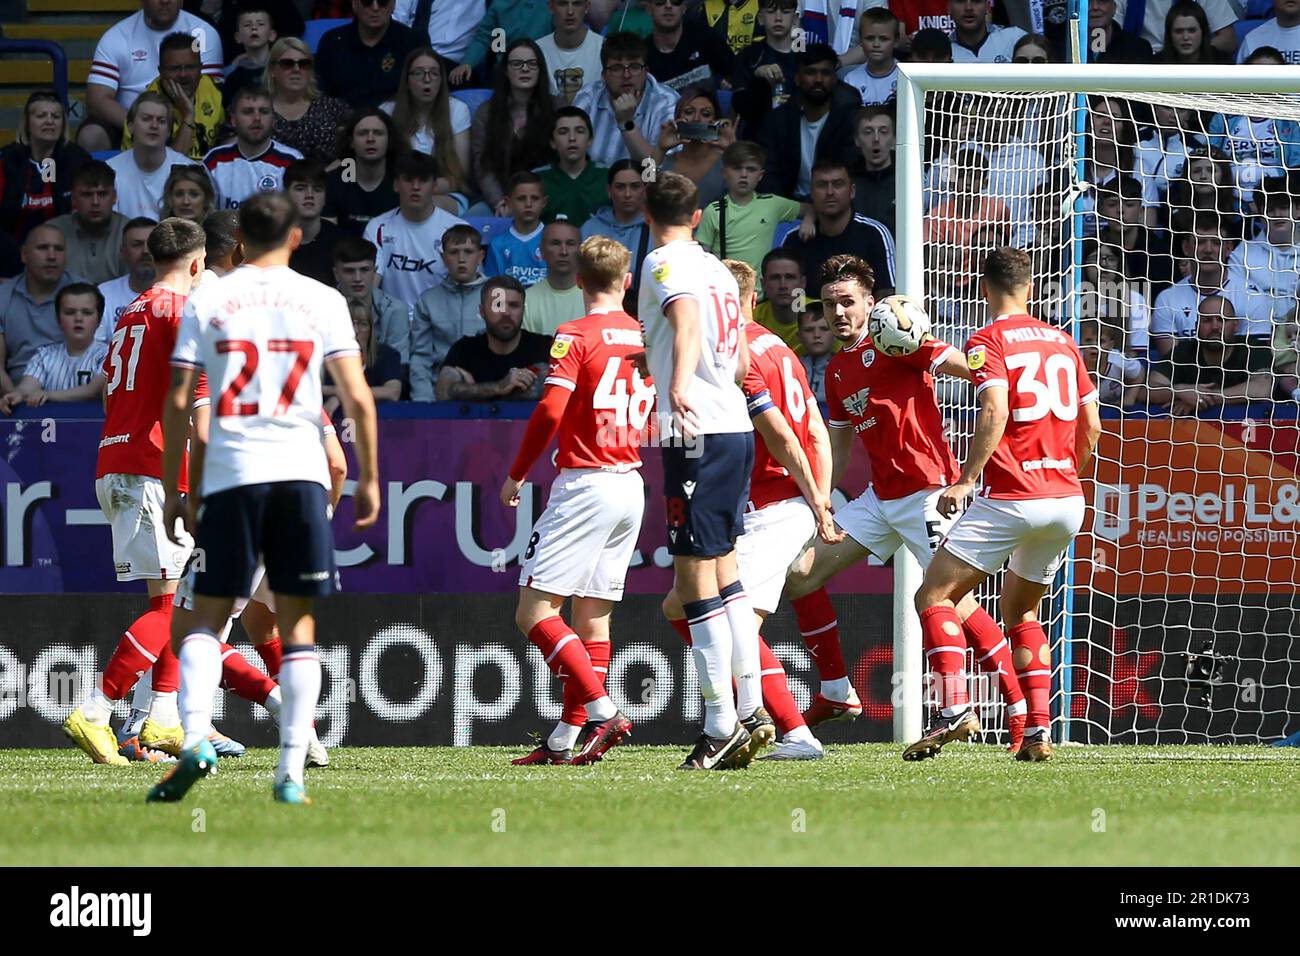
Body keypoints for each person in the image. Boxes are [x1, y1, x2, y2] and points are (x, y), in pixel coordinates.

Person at [146, 193, 378, 803]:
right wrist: (371, 477)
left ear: (239, 241)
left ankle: (194, 739)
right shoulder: (323, 299)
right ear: (297, 238)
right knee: (297, 625)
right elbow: (356, 395)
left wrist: (176, 487)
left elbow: (176, 404)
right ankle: (292, 772)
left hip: (231, 475)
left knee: (200, 623)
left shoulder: (209, 297)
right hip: (298, 474)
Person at [778, 254, 1025, 740]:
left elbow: (966, 368)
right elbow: (841, 443)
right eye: (829, 304)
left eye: (848, 301)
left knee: (955, 603)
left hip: (929, 493)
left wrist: (991, 374)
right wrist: (824, 499)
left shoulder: (897, 337)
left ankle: (1015, 711)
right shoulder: (835, 371)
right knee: (802, 575)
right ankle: (834, 689)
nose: (838, 312)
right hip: (879, 500)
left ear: (871, 303)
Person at [911, 246, 1100, 763]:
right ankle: (1038, 732)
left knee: (933, 597)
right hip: (1066, 499)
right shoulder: (1064, 342)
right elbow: (1093, 427)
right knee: (1023, 611)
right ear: (1032, 288)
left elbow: (994, 406)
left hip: (1013, 497)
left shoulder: (986, 340)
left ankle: (953, 710)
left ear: (984, 288)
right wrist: (1066, 474)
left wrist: (967, 478)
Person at [661, 256, 834, 761]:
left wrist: (815, 506)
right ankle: (759, 718)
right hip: (787, 500)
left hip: (774, 504)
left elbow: (780, 434)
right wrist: (819, 497)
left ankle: (786, 731)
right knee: (688, 607)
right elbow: (818, 431)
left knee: (726, 617)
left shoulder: (737, 357)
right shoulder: (783, 348)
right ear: (753, 299)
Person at [60, 217, 209, 766]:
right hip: (152, 469)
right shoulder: (182, 311)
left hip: (119, 459)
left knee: (181, 598)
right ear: (197, 263)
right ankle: (97, 711)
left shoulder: (130, 312)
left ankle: (164, 717)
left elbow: (110, 395)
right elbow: (196, 404)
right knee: (173, 606)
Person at [500, 236, 648, 765]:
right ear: (627, 282)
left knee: (534, 610)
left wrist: (518, 472)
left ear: (579, 281)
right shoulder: (644, 335)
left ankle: (604, 712)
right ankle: (567, 735)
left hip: (586, 481)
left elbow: (549, 411)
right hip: (631, 480)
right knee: (593, 618)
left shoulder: (575, 334)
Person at [637, 170, 765, 770]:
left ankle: (720, 724)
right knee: (724, 572)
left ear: (645, 211)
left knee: (692, 580)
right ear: (697, 216)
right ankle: (754, 708)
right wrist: (661, 358)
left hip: (697, 431)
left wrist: (679, 380)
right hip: (734, 425)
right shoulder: (719, 267)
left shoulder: (664, 264)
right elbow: (737, 360)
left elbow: (686, 321)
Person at [82, 0, 223, 151]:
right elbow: (96, 100)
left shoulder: (204, 33)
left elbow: (209, 94)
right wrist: (144, 124)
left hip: (194, 120)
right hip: (129, 122)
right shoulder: (117, 36)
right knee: (91, 135)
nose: (164, 1)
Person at [364, 151, 469, 310]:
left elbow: (468, 289)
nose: (415, 187)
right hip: (392, 324)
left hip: (441, 324)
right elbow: (370, 286)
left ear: (435, 186)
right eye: (408, 179)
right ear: (396, 184)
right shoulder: (377, 227)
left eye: (423, 180)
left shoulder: (458, 230)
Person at [755, 44, 861, 201]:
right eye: (811, 72)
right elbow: (768, 175)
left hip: (834, 206)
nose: (818, 79)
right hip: (786, 208)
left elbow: (849, 173)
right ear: (797, 78)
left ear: (834, 79)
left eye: (825, 73)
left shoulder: (848, 121)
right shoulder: (777, 120)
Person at [782, 159, 896, 298]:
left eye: (838, 184)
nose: (830, 192)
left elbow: (887, 293)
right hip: (807, 317)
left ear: (852, 191)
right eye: (822, 185)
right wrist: (803, 317)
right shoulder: (794, 239)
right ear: (811, 192)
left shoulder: (875, 234)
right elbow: (791, 294)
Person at [1143, 294, 1275, 415]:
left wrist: (1203, 398)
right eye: (1207, 320)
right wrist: (1179, 391)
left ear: (1235, 326)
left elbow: (1262, 389)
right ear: (1197, 326)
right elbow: (1147, 391)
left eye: (1222, 320)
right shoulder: (1183, 352)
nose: (1215, 327)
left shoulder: (1252, 347)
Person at [471, 39, 557, 215]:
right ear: (505, 70)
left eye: (532, 64)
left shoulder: (556, 108)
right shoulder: (487, 112)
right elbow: (482, 164)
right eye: (517, 64)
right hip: (500, 196)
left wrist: (533, 201)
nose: (525, 69)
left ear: (540, 70)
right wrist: (499, 201)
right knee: (474, 216)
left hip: (544, 197)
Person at [696, 140, 810, 272]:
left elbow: (810, 209)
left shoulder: (772, 204)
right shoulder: (714, 211)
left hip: (762, 291)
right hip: (727, 290)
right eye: (737, 168)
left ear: (760, 175)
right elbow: (701, 258)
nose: (744, 174)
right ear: (724, 173)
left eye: (751, 169)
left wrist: (808, 220)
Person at [572, 32, 681, 166]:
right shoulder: (588, 96)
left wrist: (627, 124)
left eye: (634, 67)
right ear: (604, 75)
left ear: (646, 71)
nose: (626, 75)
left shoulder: (667, 103)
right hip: (593, 184)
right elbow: (569, 156)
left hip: (645, 185)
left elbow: (657, 172)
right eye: (617, 68)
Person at [436, 275, 551, 400]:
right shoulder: (464, 350)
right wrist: (499, 387)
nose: (506, 312)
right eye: (497, 305)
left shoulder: (543, 347)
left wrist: (475, 392)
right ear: (482, 311)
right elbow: (444, 392)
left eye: (513, 305)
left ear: (523, 310)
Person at [0, 284, 109, 415]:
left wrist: (48, 395)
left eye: (87, 312)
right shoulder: (44, 355)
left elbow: (93, 391)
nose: (78, 319)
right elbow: (27, 387)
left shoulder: (109, 354)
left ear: (98, 320)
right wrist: (17, 394)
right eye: (70, 312)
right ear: (58, 319)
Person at [410, 223, 490, 399]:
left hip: (487, 391)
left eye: (468, 252)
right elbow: (420, 357)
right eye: (454, 252)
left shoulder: (497, 295)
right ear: (444, 258)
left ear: (480, 256)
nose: (461, 259)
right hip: (440, 394)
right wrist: (423, 402)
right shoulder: (428, 300)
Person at [0, 92, 90, 242]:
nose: (49, 121)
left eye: (56, 117)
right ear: (27, 124)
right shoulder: (8, 160)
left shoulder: (77, 159)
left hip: (64, 249)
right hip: (12, 251)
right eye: (41, 116)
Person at [119, 32, 225, 160]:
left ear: (201, 68)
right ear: (161, 72)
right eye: (175, 68)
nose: (183, 74)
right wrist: (188, 115)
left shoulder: (217, 91)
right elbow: (166, 168)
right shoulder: (145, 109)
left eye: (190, 67)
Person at [0, 225, 79, 394]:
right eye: (42, 248)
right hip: (15, 395)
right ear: (24, 255)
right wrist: (16, 398)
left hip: (73, 395)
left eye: (58, 249)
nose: (52, 256)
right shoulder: (3, 297)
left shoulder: (85, 294)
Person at [203, 87, 305, 210]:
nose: (257, 118)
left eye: (264, 111)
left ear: (273, 119)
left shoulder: (292, 161)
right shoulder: (214, 160)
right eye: (248, 111)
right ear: (233, 120)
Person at [317, 0, 423, 109]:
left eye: (383, 2)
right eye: (367, 2)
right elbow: (321, 94)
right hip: (344, 120)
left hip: (395, 121)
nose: (375, 8)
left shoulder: (413, 42)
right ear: (354, 4)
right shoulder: (332, 42)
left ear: (393, 4)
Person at [331, 236, 412, 374]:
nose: (357, 278)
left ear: (375, 271)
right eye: (349, 271)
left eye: (365, 270)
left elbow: (398, 366)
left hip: (383, 386)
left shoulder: (395, 310)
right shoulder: (319, 307)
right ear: (336, 274)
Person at [265, 38, 351, 166]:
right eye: (287, 64)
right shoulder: (259, 111)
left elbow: (356, 147)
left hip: (329, 182)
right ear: (272, 70)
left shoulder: (333, 107)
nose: (296, 69)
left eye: (304, 64)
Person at [109, 93, 195, 219]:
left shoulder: (188, 170)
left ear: (169, 131)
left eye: (161, 121)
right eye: (146, 119)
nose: (154, 126)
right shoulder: (110, 170)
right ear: (130, 126)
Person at [581, 160, 651, 311]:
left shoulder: (654, 229)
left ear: (645, 190)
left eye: (635, 186)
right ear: (609, 190)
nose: (627, 194)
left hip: (644, 307)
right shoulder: (590, 228)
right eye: (620, 187)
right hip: (596, 306)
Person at [324, 109, 406, 237]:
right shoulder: (333, 182)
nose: (370, 139)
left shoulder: (403, 182)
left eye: (378, 133)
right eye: (363, 133)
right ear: (351, 142)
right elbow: (327, 236)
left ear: (389, 141)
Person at [654, 88, 736, 209]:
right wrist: (660, 149)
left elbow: (743, 197)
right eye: (689, 112)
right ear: (678, 118)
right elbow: (645, 185)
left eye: (705, 114)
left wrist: (734, 149)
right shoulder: (666, 161)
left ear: (715, 122)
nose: (696, 118)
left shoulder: (726, 163)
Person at [48, 162, 128, 286]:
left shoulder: (129, 233)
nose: (95, 202)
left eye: (102, 194)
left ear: (114, 197)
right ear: (73, 198)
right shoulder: (53, 232)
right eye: (87, 194)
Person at [730, 0, 801, 133]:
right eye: (770, 11)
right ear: (760, 18)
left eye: (785, 12)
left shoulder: (805, 58)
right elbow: (740, 106)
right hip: (758, 136)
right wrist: (758, 80)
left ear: (795, 20)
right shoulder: (748, 57)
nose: (778, 18)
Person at [324, 298, 404, 413]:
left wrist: (340, 395)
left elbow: (392, 392)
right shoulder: (327, 356)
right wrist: (338, 391)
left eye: (363, 324)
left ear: (371, 331)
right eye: (350, 324)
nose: (356, 330)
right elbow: (313, 389)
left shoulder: (387, 355)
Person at [447, 0, 554, 85]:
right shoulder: (499, 3)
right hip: (505, 72)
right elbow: (484, 36)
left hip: (541, 69)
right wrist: (468, 62)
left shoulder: (553, 4)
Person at [537, 107, 609, 227]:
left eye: (580, 131)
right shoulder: (537, 179)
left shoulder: (608, 176)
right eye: (563, 132)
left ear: (590, 140)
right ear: (552, 142)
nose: (572, 138)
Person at [644, 0, 736, 94]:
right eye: (660, 2)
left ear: (684, 7)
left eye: (675, 1)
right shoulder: (643, 54)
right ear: (648, 8)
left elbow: (735, 73)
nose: (668, 6)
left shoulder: (705, 37)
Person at [280, 161, 346, 286]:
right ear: (285, 195)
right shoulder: (271, 242)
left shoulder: (341, 242)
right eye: (300, 188)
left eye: (317, 189)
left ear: (326, 196)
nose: (309, 195)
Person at [97, 218, 158, 339]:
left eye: (152, 244)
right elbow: (96, 348)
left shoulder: (181, 293)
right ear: (123, 252)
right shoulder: (104, 294)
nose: (145, 251)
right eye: (137, 244)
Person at [484, 173, 549, 285]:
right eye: (521, 198)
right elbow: (493, 289)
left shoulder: (554, 241)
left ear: (544, 202)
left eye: (534, 198)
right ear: (508, 202)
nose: (528, 204)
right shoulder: (497, 244)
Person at [524, 219, 585, 334]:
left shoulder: (596, 298)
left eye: (570, 244)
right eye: (556, 243)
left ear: (581, 250)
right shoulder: (527, 300)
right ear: (541, 251)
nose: (563, 251)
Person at [537, 0, 606, 103]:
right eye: (563, 4)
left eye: (577, 4)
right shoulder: (537, 50)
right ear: (551, 7)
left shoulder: (604, 48)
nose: (570, 11)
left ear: (587, 7)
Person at [753, 248, 813, 353]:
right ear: (763, 284)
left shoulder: (823, 314)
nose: (783, 285)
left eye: (790, 277)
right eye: (775, 278)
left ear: (803, 283)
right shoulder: (753, 318)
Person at [393, 0, 486, 66]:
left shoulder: (489, 4)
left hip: (455, 66)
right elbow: (397, 17)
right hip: (411, 56)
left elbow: (486, 35)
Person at [852, 104, 896, 237]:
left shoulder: (908, 181)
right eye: (868, 132)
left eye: (883, 132)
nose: (876, 139)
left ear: (894, 140)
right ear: (857, 140)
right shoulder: (846, 183)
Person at [842, 8, 901, 106]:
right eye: (869, 38)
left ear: (896, 41)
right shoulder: (851, 80)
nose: (876, 44)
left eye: (884, 39)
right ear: (860, 40)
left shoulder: (907, 78)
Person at [224, 4, 277, 96]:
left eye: (260, 24)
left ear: (272, 35)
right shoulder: (230, 74)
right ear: (238, 37)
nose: (254, 28)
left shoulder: (284, 66)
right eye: (247, 25)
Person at [1087, 0, 1156, 63]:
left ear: (1114, 8)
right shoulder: (1076, 49)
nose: (1094, 7)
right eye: (1087, 1)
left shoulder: (1139, 49)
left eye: (1102, 1)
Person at [1158, 0, 1224, 64]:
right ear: (1170, 34)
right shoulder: (1155, 64)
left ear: (1203, 32)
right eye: (1179, 31)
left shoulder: (1222, 63)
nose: (1185, 37)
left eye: (1192, 31)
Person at [797, 307, 833, 401]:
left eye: (824, 329)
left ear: (835, 333)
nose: (817, 335)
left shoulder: (845, 368)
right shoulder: (791, 368)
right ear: (799, 336)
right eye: (809, 330)